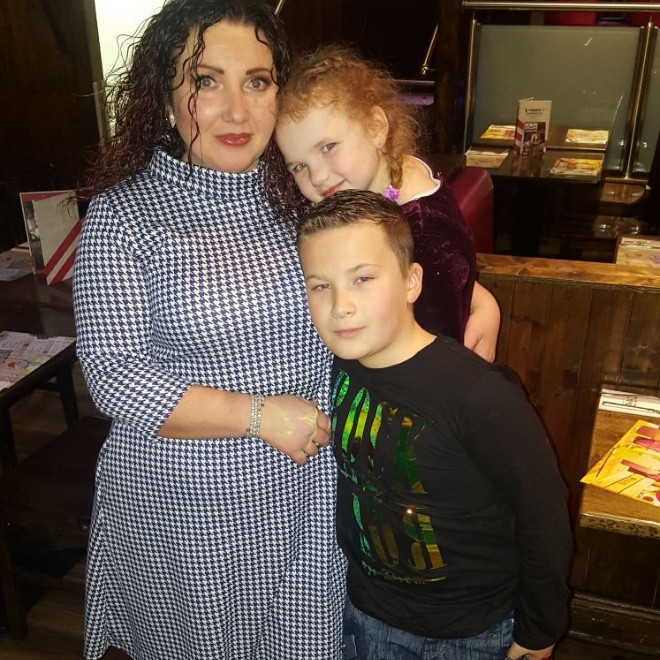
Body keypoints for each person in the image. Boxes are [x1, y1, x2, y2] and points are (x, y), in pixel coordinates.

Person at [73, 1, 345, 658]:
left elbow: (393, 240)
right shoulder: (123, 217)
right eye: (205, 81)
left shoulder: (307, 194)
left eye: (257, 81)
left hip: (307, 491)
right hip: (188, 508)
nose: (237, 111)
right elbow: (113, 376)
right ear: (164, 97)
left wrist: (467, 290)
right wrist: (258, 416)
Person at [297, 189, 573, 660]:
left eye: (362, 278)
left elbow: (542, 509)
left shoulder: (477, 393)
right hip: (368, 614)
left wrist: (541, 626)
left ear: (411, 282)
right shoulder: (338, 367)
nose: (340, 305)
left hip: (469, 632)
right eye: (320, 285)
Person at [274, 45, 501, 361]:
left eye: (328, 147)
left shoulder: (424, 228)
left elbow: (437, 357)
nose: (318, 177)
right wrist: (482, 300)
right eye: (299, 166)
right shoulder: (385, 177)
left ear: (376, 128)